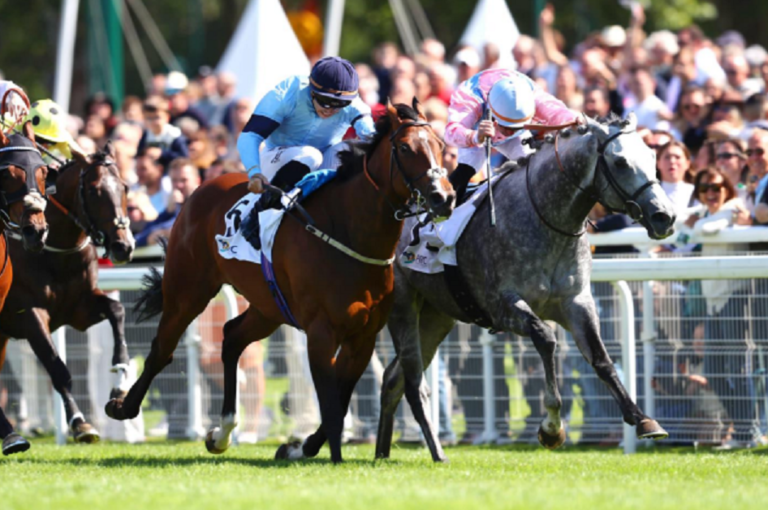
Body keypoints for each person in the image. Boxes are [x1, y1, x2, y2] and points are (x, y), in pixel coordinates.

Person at [237, 56, 375, 201]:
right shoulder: (289, 92)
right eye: (326, 101)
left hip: (322, 161)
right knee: (311, 155)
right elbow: (249, 136)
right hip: (276, 159)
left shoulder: (355, 105)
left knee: (352, 147)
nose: (332, 109)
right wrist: (254, 172)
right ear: (312, 91)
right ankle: (264, 206)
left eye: (341, 104)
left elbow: (373, 139)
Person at [444, 69, 578, 198]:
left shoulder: (534, 96)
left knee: (531, 167)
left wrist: (574, 121)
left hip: (512, 131)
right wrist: (474, 136)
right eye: (506, 127)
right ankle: (440, 210)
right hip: (477, 130)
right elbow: (450, 133)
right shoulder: (470, 97)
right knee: (467, 168)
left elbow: (558, 113)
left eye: (514, 128)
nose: (508, 133)